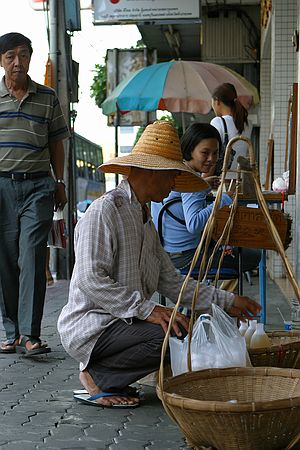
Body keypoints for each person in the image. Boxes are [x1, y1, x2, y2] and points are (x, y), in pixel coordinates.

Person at [57, 120, 261, 408]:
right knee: (171, 334)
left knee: (181, 329)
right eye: (171, 176)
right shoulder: (105, 211)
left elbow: (172, 280)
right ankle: (97, 376)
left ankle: (111, 374)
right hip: (93, 326)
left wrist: (227, 300)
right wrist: (148, 309)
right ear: (150, 172)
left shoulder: (144, 220)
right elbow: (91, 278)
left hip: (126, 324)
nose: (174, 184)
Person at [0, 33, 69, 356]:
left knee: (31, 255)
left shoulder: (48, 97)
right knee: (5, 260)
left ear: (30, 58)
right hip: (1, 187)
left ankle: (30, 334)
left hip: (39, 186)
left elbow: (57, 141)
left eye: (23, 55)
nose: (18, 62)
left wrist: (60, 182)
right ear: (1, 60)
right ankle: (11, 331)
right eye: (11, 56)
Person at [151, 123, 261, 277]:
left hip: (167, 254)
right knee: (254, 256)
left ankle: (223, 297)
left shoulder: (175, 172)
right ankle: (226, 298)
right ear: (190, 150)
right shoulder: (191, 179)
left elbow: (181, 199)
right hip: (188, 258)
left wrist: (204, 186)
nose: (211, 159)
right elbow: (194, 224)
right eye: (205, 152)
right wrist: (223, 199)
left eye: (215, 153)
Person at [210, 82, 252, 179]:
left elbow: (212, 152)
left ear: (217, 102)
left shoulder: (217, 122)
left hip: (220, 179)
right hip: (240, 178)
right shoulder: (247, 123)